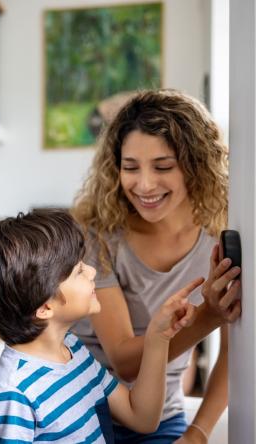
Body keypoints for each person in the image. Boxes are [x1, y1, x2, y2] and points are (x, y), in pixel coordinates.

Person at [72, 89, 241, 443]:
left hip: (162, 418)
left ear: (195, 166)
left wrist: (198, 433)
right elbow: (125, 361)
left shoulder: (222, 237)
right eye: (130, 167)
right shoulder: (100, 235)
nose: (144, 185)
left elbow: (234, 352)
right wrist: (210, 316)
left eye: (163, 166)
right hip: (81, 413)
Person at [0, 208, 203, 443]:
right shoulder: (11, 397)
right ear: (45, 307)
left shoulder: (72, 350)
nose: (92, 271)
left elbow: (142, 419)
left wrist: (158, 338)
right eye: (78, 271)